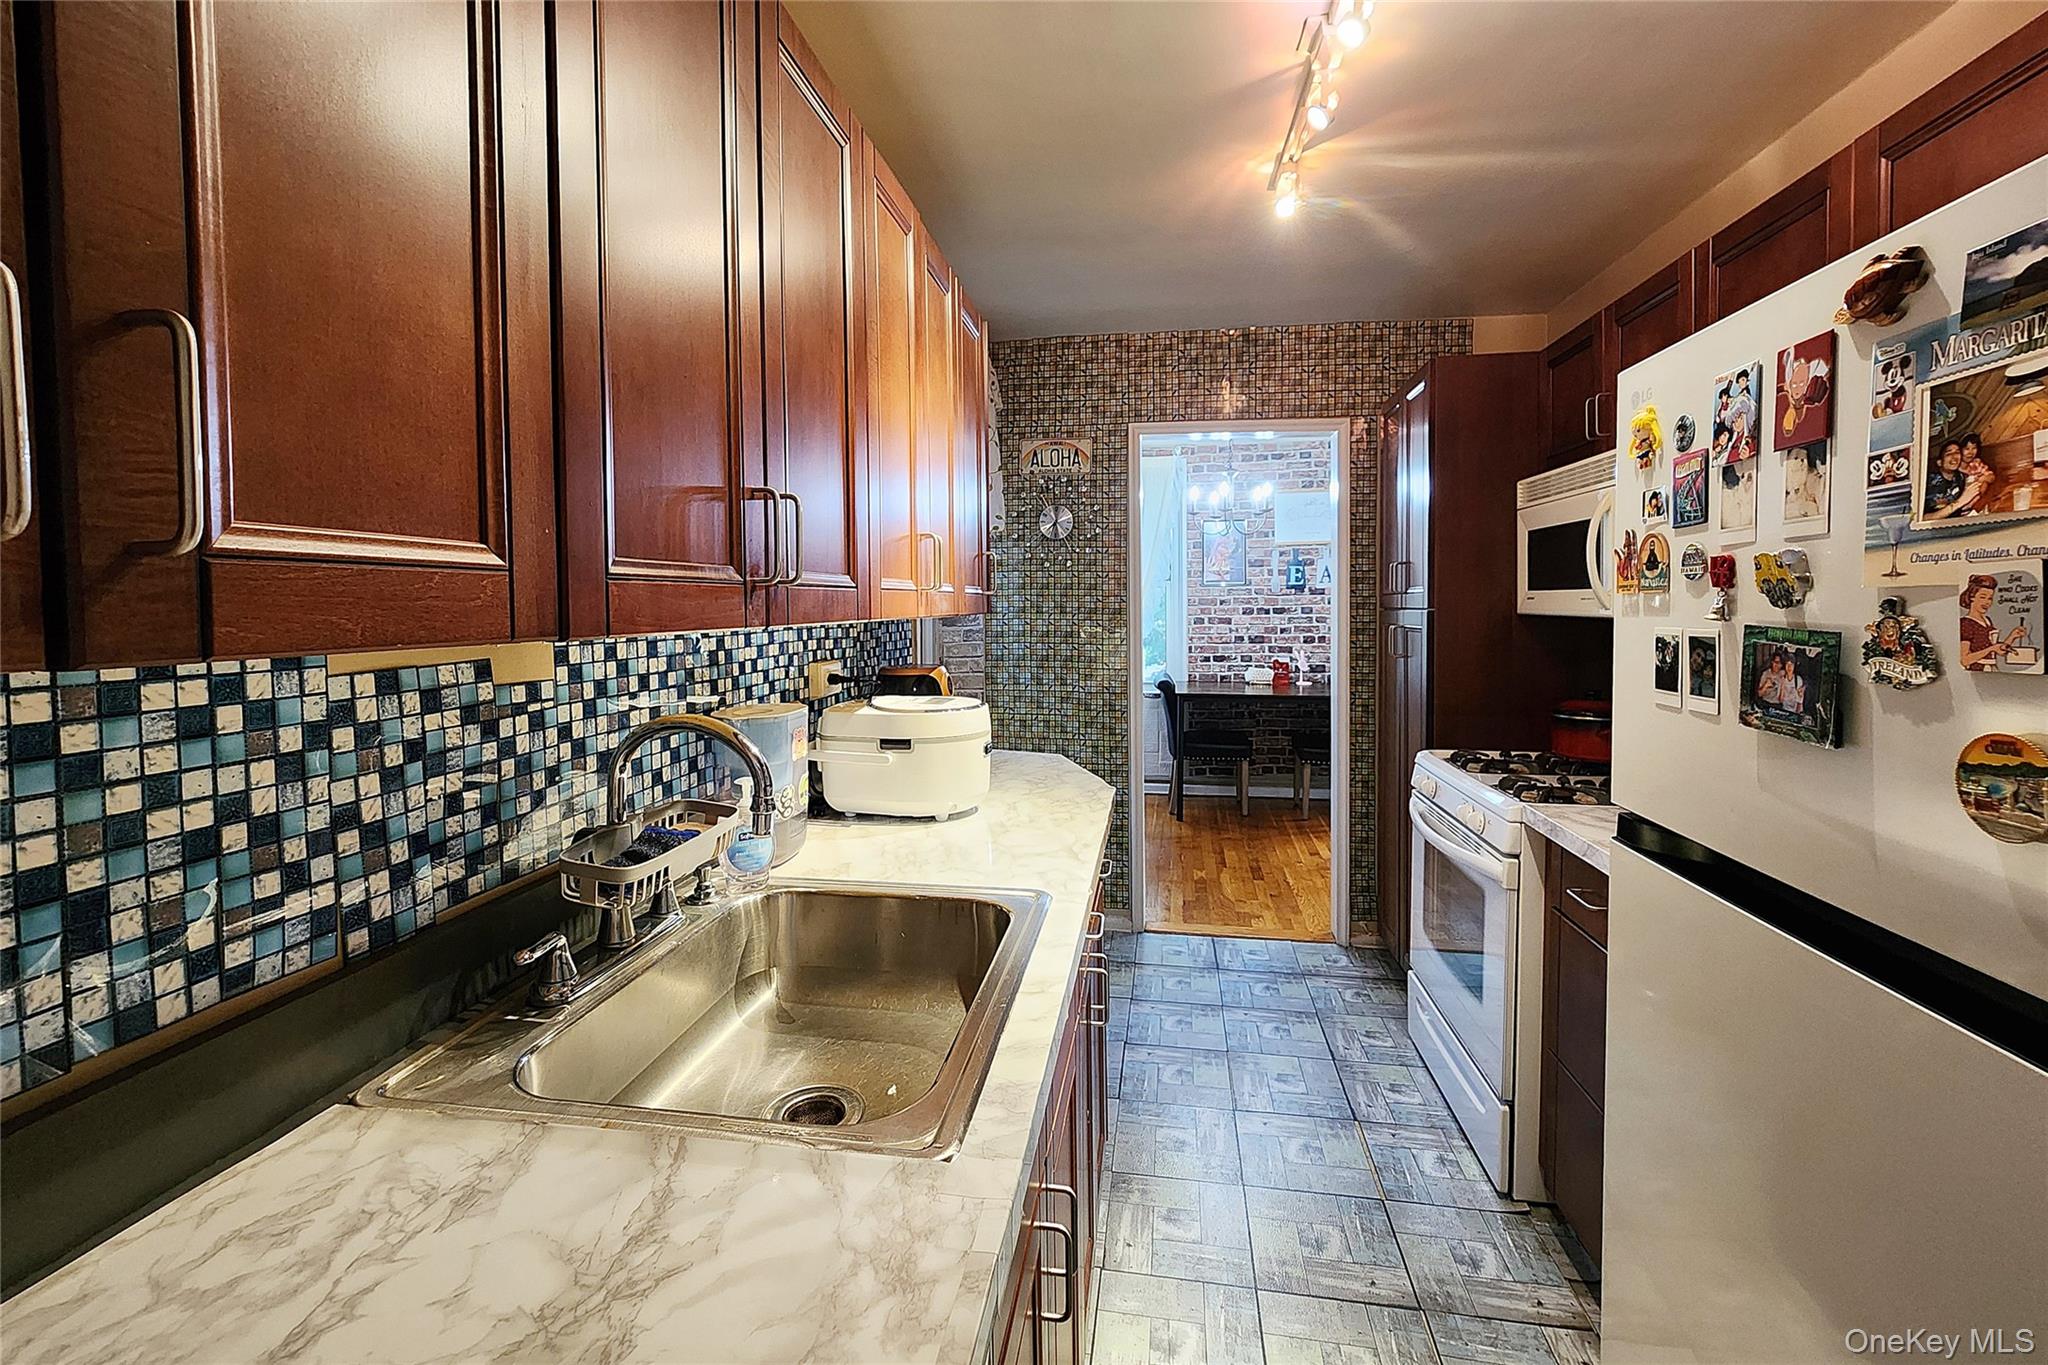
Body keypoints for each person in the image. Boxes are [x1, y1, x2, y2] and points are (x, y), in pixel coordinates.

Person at [1960, 574, 2025, 670]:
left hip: (1992, 669)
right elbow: (1964, 660)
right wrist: (1992, 649)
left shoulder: (1987, 621)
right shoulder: (1966, 623)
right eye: (1983, 597)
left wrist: (2012, 636)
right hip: (1977, 670)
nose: (1987, 602)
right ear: (1971, 597)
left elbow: (1999, 651)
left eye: (1990, 598)